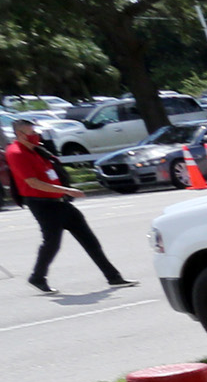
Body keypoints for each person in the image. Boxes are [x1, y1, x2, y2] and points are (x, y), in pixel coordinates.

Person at [8, 116, 129, 293]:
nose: (36, 135)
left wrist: (64, 191)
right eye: (32, 132)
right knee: (52, 244)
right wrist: (66, 190)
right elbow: (32, 182)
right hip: (43, 205)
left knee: (89, 240)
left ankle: (114, 277)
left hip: (61, 202)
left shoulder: (36, 149)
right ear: (20, 134)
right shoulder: (16, 153)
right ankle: (37, 277)